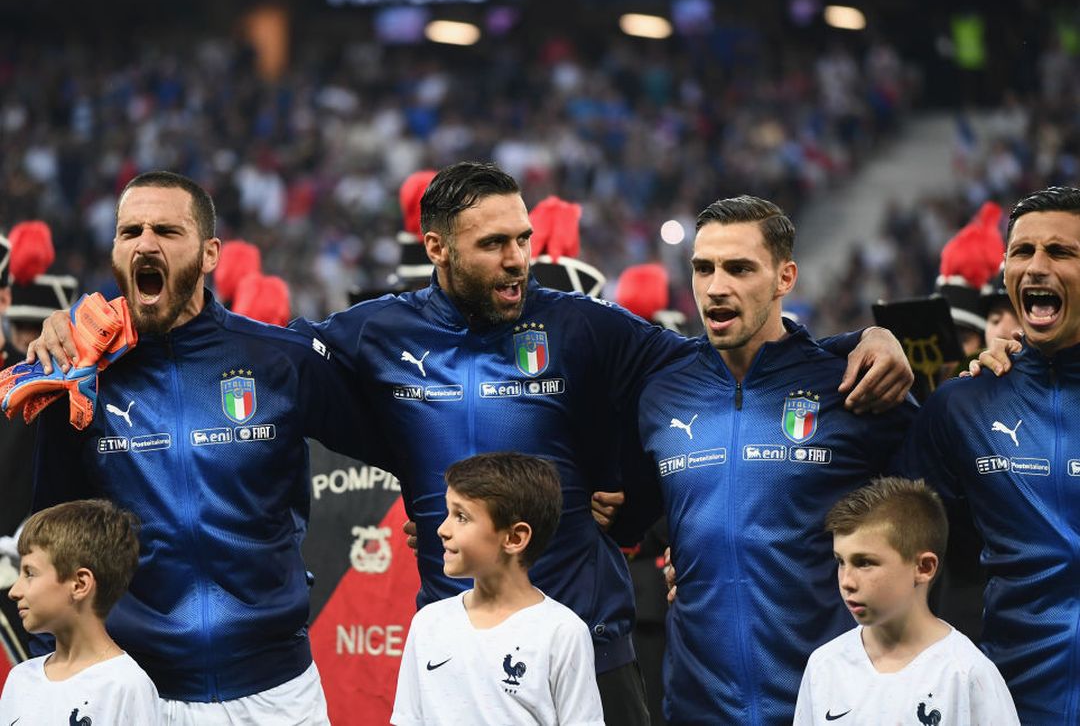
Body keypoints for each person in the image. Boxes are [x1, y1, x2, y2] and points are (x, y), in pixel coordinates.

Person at [30, 162, 912, 724]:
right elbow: (251, 355)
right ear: (438, 249)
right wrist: (74, 330)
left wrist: (854, 343)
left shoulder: (584, 328)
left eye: (525, 238)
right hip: (451, 641)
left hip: (591, 641)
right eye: (495, 245)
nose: (519, 258)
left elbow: (723, 359)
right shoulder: (371, 336)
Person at [22, 170, 366, 724]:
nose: (145, 243)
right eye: (130, 231)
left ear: (210, 254)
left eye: (166, 230)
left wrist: (434, 500)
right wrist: (56, 675)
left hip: (278, 692)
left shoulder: (281, 361)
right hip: (141, 693)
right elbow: (52, 535)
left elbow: (398, 436)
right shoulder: (81, 379)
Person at [622, 195, 918, 724]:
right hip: (695, 706)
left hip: (832, 705)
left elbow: (935, 524)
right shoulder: (662, 393)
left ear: (785, 278)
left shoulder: (850, 386)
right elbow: (636, 516)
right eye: (703, 268)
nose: (716, 287)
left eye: (739, 268)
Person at [896, 185, 1080, 724]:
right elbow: (902, 546)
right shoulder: (962, 405)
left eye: (1061, 252)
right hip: (1003, 703)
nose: (1036, 267)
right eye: (1022, 252)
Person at [391, 452, 603, 726]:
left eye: (462, 517)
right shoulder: (428, 623)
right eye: (448, 513)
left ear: (515, 538)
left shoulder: (562, 632)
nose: (443, 529)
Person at [793, 477, 1018, 725]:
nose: (846, 581)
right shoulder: (824, 667)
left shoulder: (967, 674)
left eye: (864, 562)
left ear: (924, 567)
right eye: (840, 561)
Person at [0, 499, 160, 724]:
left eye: (29, 573)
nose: (14, 591)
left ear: (79, 584)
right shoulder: (20, 679)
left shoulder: (124, 685)